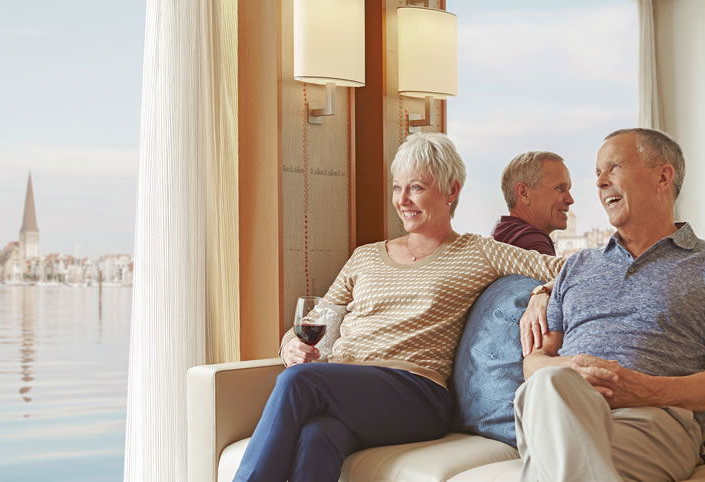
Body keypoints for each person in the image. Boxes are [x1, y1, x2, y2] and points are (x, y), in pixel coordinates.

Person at [233, 133, 565, 482]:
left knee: (299, 381)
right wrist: (291, 345)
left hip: (417, 393)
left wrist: (542, 292)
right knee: (319, 434)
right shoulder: (365, 257)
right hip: (348, 388)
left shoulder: (477, 251)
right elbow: (317, 319)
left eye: (416, 188)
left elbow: (569, 271)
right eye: (397, 188)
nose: (403, 200)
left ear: (451, 191)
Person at [516, 128, 705, 481]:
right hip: (559, 410)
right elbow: (535, 361)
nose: (600, 182)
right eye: (597, 173)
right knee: (547, 386)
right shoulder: (577, 265)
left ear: (663, 176)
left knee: (553, 451)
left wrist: (643, 391)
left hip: (654, 421)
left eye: (613, 167)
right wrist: (567, 368)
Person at [493, 151, 575, 255]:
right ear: (524, 193)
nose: (570, 200)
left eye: (568, 190)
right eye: (560, 189)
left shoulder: (502, 234)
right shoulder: (534, 243)